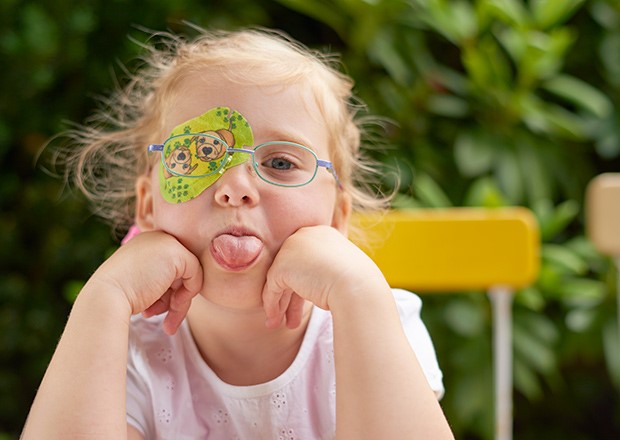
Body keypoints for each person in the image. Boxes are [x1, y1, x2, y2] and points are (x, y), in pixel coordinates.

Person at [21, 25, 454, 439]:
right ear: (149, 206)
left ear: (338, 217)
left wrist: (357, 292)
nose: (236, 189)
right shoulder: (127, 350)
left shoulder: (372, 321)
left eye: (281, 163)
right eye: (200, 156)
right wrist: (105, 298)